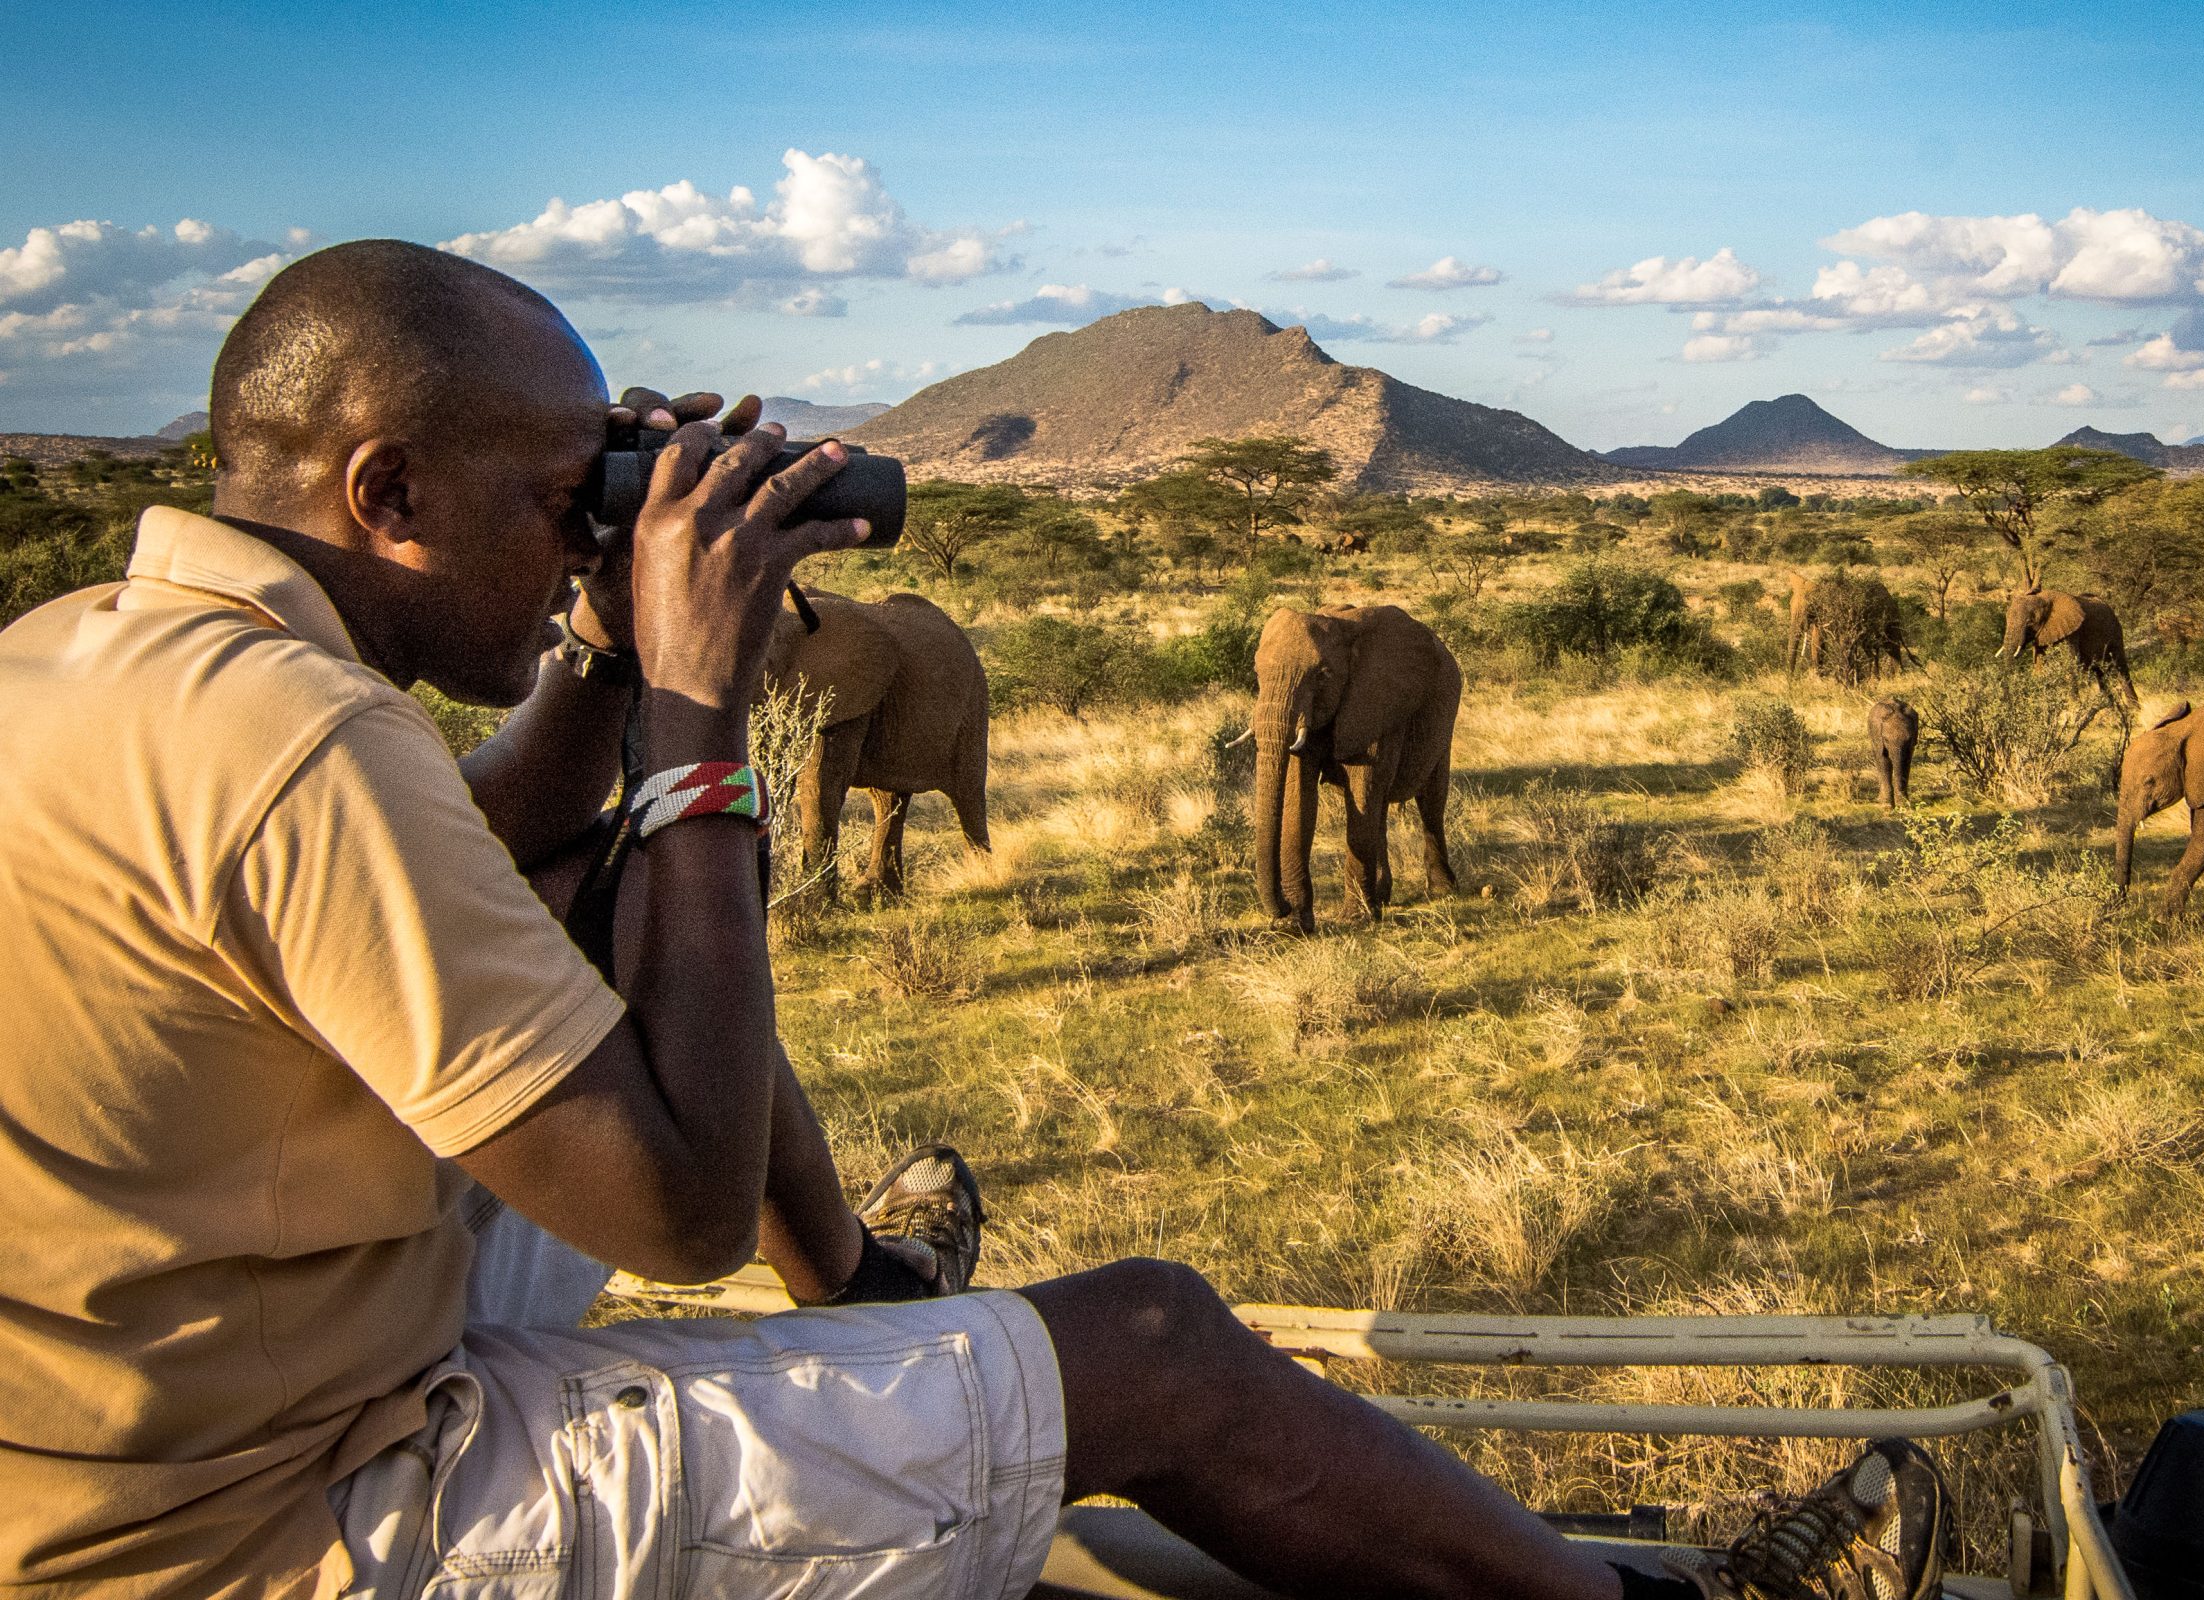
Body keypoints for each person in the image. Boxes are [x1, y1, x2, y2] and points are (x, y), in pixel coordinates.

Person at [0, 239, 1947, 1600]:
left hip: (137, 1435)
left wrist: (599, 647)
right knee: (1162, 1345)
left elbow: (477, 855)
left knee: (609, 899)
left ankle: (857, 1286)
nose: (587, 534)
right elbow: (675, 1213)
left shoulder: (99, 656)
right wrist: (693, 712)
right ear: (389, 488)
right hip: (287, 1523)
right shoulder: (297, 733)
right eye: (555, 495)